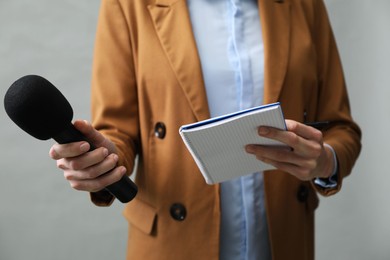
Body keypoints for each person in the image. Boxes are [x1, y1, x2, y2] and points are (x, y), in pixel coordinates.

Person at [49, 0, 361, 259]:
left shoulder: (304, 4)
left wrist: (325, 160)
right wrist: (103, 158)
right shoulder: (129, 4)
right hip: (173, 243)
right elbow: (117, 132)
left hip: (283, 240)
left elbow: (341, 128)